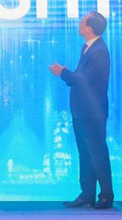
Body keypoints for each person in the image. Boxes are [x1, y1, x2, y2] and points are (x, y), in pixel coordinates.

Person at [49, 11, 114, 210]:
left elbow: (85, 80)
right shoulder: (88, 47)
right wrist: (68, 74)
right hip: (83, 111)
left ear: (90, 28)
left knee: (97, 154)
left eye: (82, 22)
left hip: (93, 112)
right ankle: (87, 194)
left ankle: (106, 195)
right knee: (85, 154)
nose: (79, 24)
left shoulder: (99, 50)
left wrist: (63, 73)